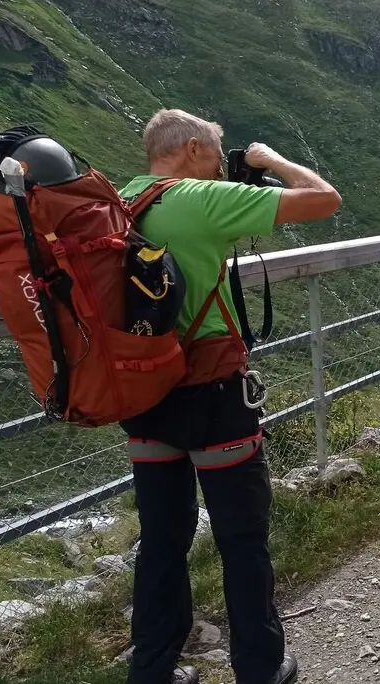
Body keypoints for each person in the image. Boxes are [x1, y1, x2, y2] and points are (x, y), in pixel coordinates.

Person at [118, 109, 342, 684]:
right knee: (241, 538)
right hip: (213, 394)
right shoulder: (201, 198)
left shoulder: (121, 202)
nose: (223, 167)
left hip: (142, 393)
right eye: (217, 155)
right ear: (192, 149)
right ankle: (260, 669)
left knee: (162, 539)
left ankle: (152, 669)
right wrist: (269, 162)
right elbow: (323, 199)